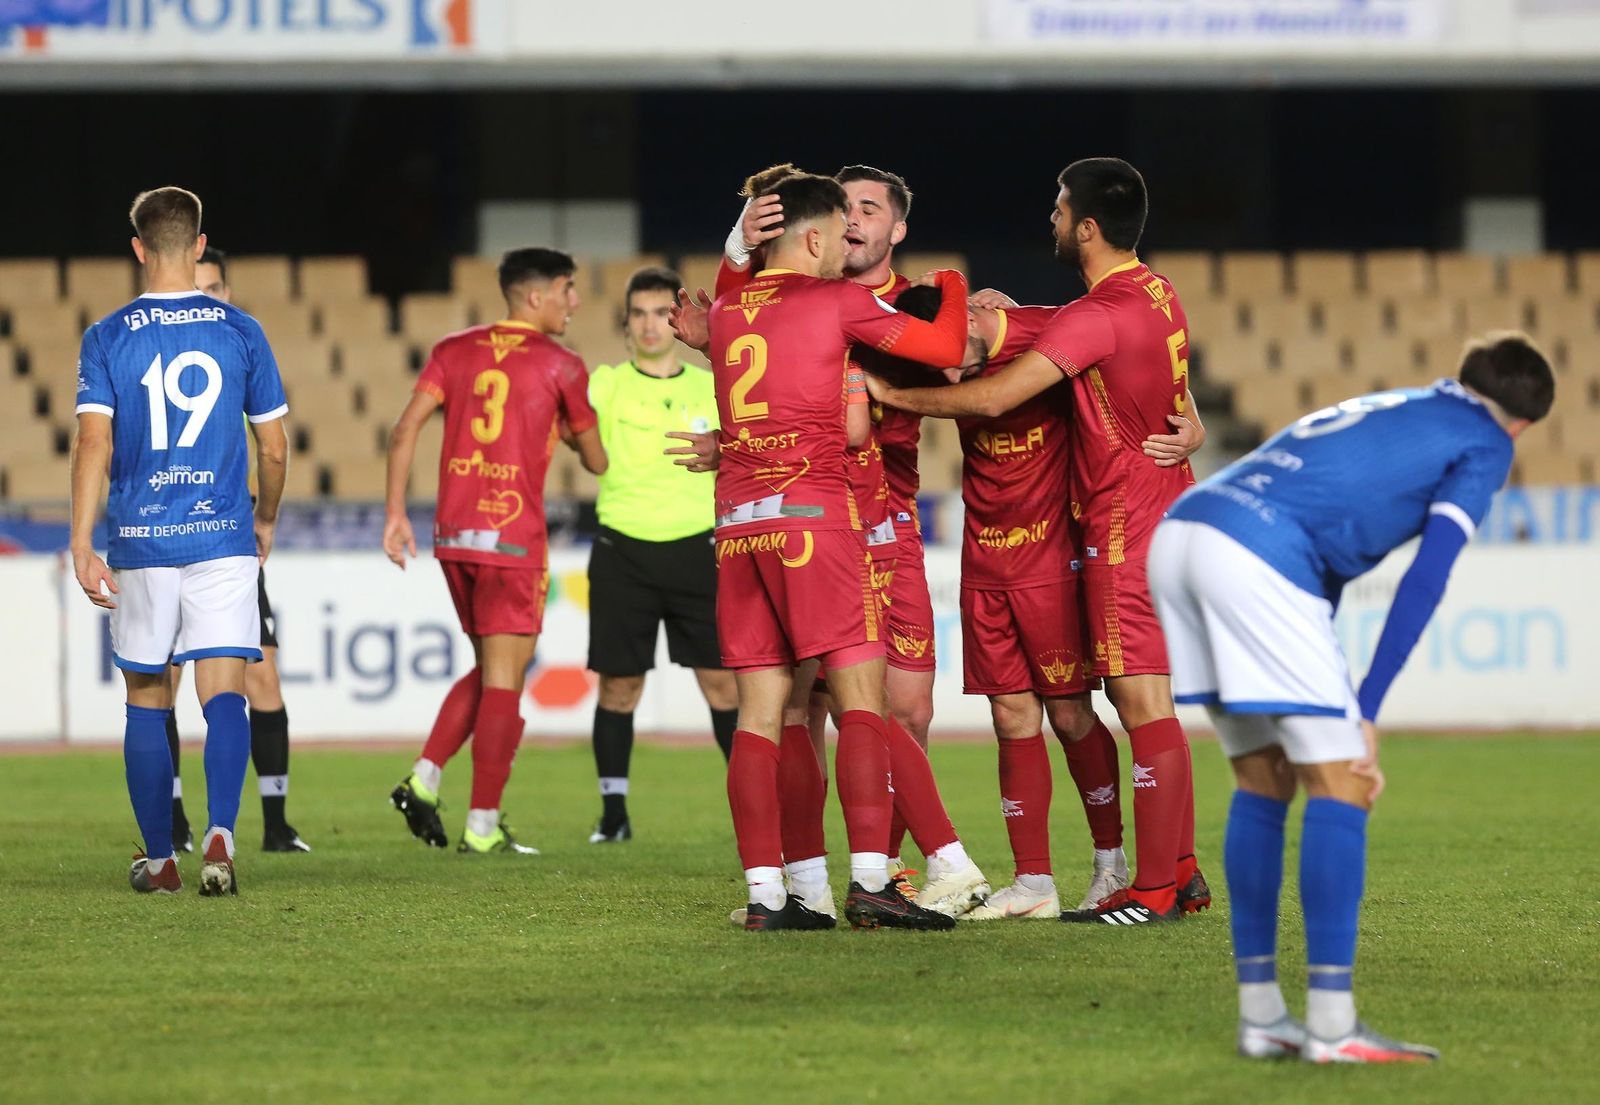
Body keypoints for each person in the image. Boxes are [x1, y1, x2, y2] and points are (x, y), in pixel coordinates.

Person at [1148, 335, 1553, 1062]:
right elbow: (1428, 575)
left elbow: (1326, 553)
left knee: (1263, 777)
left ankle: (1263, 1016)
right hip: (1258, 553)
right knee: (1346, 782)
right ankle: (1333, 1027)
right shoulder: (1487, 441)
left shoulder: (1402, 404)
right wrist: (1365, 708)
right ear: (1522, 423)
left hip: (1185, 530)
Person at [866, 158, 1209, 924]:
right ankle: (1169, 875)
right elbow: (1162, 370)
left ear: (1086, 227)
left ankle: (1148, 884)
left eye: (1058, 210)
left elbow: (993, 397)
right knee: (1106, 703)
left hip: (1116, 523)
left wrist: (892, 392)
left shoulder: (1081, 320)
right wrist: (1191, 424)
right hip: (1121, 516)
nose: (1048, 221)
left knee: (1135, 702)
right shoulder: (1151, 291)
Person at [708, 164, 990, 917]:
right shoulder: (836, 300)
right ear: (811, 238)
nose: (845, 245)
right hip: (816, 519)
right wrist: (952, 282)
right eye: (837, 232)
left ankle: (771, 894)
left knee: (763, 714)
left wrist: (737, 244)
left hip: (738, 528)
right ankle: (873, 880)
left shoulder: (728, 313)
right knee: (863, 701)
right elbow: (943, 345)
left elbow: (739, 313)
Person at [70, 186, 289, 897]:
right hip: (222, 533)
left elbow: (94, 442)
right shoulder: (241, 329)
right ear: (198, 246)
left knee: (146, 695)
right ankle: (221, 832)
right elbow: (274, 446)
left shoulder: (107, 336)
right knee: (224, 692)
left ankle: (162, 860)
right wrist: (265, 517)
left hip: (143, 539)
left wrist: (81, 540)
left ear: (138, 248)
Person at [383, 248, 607, 855]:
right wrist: (566, 430)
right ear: (536, 296)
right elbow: (597, 460)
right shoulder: (562, 365)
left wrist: (396, 514)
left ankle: (426, 778)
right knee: (506, 678)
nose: (574, 301)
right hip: (511, 539)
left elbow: (404, 429)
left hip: (455, 536)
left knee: (491, 668)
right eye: (567, 288)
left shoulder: (453, 350)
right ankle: (481, 827)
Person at [584, 266, 738, 844]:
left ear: (676, 320)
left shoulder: (712, 385)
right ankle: (613, 815)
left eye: (659, 313)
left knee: (724, 687)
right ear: (625, 323)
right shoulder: (603, 385)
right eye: (639, 313)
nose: (650, 325)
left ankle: (752, 807)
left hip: (699, 548)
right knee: (619, 688)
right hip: (622, 549)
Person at [165, 245, 307, 855]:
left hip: (227, 534)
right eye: (197, 287)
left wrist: (261, 516)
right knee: (165, 683)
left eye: (216, 288)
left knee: (261, 677)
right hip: (165, 537)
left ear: (228, 291)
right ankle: (175, 819)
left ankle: (275, 824)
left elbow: (270, 442)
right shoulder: (154, 350)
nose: (207, 298)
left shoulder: (240, 344)